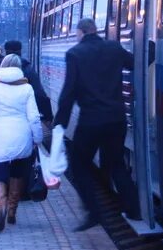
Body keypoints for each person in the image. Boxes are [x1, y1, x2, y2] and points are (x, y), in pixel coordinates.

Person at [55, 19, 138, 231]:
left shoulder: (75, 54)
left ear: (81, 32)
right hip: (117, 118)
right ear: (95, 30)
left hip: (91, 121)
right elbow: (135, 63)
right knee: (116, 163)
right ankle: (134, 209)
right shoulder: (114, 48)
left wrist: (60, 123)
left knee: (79, 164)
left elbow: (68, 92)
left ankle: (93, 212)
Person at [0, 54, 43, 232]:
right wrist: (38, 138)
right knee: (17, 174)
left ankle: (2, 207)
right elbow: (34, 117)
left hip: (0, 135)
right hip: (22, 136)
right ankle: (13, 210)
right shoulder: (26, 88)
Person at [3, 40, 52, 123]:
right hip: (23, 118)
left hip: (1, 121)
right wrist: (47, 114)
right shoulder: (27, 68)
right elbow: (38, 92)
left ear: (5, 52)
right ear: (20, 51)